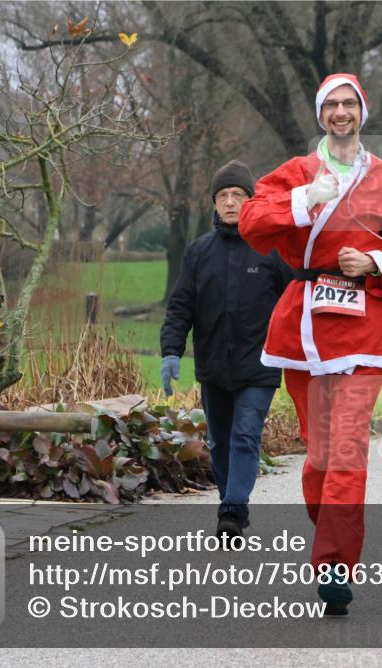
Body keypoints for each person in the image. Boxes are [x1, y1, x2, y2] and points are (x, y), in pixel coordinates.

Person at [238, 73, 382, 615]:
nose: (341, 112)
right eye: (332, 105)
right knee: (320, 457)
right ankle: (332, 542)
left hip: (364, 325)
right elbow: (251, 222)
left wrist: (376, 261)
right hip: (305, 327)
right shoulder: (296, 171)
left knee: (346, 449)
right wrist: (304, 199)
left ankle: (336, 568)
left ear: (362, 111)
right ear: (322, 114)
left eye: (350, 104)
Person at [159, 160, 292, 540]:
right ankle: (231, 502)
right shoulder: (200, 252)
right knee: (219, 441)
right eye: (223, 196)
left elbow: (297, 301)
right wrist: (171, 350)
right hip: (213, 366)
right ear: (214, 204)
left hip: (260, 364)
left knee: (245, 435)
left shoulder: (273, 250)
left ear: (251, 200)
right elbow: (181, 305)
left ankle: (232, 510)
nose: (230, 202)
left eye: (238, 195)